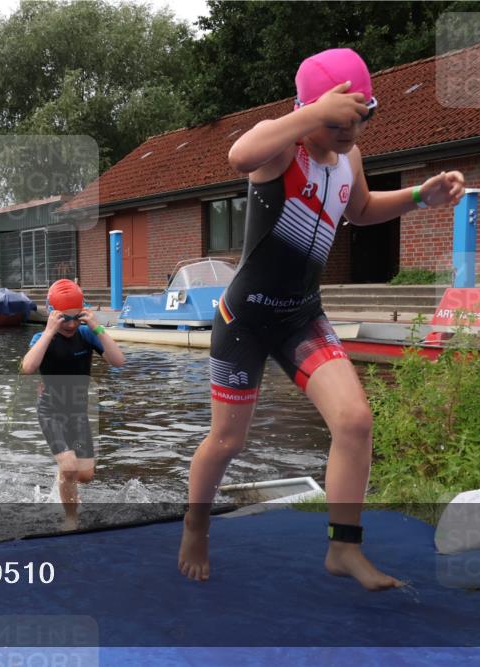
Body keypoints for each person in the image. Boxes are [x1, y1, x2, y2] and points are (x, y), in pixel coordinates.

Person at [177, 48, 465, 591]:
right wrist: (313, 115)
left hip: (301, 317)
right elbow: (239, 154)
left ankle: (343, 549)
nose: (351, 132)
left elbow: (358, 210)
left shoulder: (348, 158)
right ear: (310, 112)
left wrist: (420, 197)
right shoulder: (281, 151)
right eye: (339, 121)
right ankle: (195, 523)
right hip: (244, 320)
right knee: (227, 442)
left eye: (363, 118)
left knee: (355, 420)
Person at [21, 279, 125, 531]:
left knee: (85, 475)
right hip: (51, 412)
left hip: (77, 413)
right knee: (69, 467)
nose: (70, 325)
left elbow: (118, 361)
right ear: (52, 314)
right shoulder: (41, 337)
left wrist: (97, 328)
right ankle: (71, 519)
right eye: (63, 319)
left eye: (75, 318)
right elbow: (27, 368)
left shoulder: (86, 333)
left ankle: (63, 479)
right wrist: (47, 332)